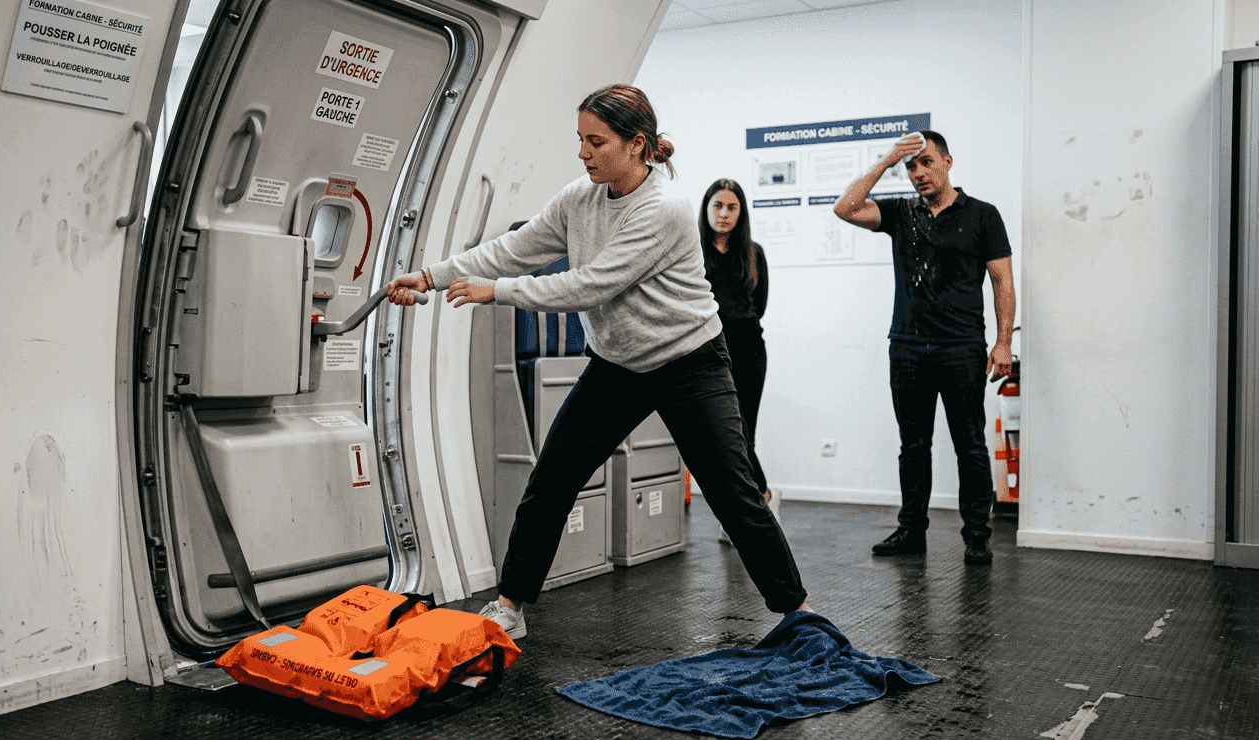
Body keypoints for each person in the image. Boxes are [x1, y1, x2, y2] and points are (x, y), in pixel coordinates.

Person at [388, 84, 811, 639]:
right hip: (618, 366)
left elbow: (591, 284)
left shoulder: (665, 209)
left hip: (690, 363)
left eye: (596, 141)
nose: (583, 153)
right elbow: (515, 248)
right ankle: (510, 604)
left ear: (638, 145)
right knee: (552, 481)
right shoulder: (578, 198)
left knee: (733, 492)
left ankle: (797, 614)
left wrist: (495, 292)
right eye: (580, 141)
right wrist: (432, 275)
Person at [832, 130, 1015, 565]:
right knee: (912, 445)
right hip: (908, 348)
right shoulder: (899, 213)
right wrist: (887, 159)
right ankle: (912, 529)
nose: (917, 173)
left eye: (925, 162)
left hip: (962, 348)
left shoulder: (983, 215)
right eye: (910, 166)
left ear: (947, 162)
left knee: (969, 444)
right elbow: (845, 208)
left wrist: (1003, 343)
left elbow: (1002, 281)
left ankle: (976, 535)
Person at [697, 179, 780, 543]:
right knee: (726, 437)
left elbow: (757, 307)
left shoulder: (753, 252)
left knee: (746, 433)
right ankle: (760, 497)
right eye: (718, 206)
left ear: (741, 212)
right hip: (710, 352)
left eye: (732, 207)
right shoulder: (694, 250)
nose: (724, 213)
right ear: (707, 209)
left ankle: (747, 510)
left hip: (749, 352)